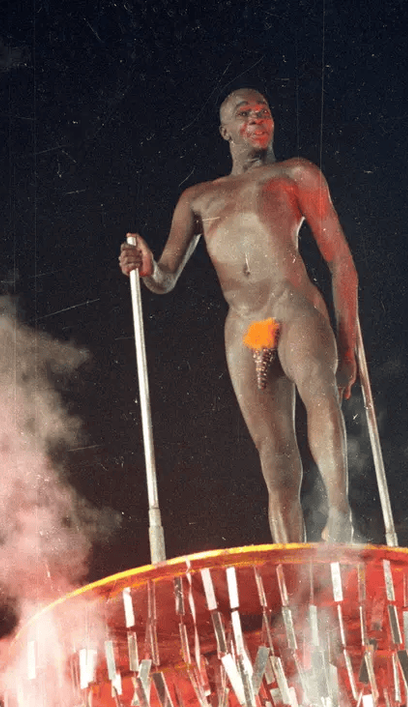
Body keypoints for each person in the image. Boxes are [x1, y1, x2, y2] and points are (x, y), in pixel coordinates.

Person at [119, 88, 358, 543]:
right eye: (243, 113)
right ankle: (292, 558)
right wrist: (147, 267)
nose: (256, 117)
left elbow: (340, 262)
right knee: (275, 452)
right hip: (251, 328)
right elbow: (165, 278)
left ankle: (341, 516)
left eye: (264, 111)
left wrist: (348, 347)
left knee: (319, 393)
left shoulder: (295, 173)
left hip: (293, 308)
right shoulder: (199, 197)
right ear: (225, 130)